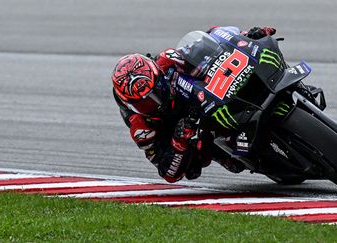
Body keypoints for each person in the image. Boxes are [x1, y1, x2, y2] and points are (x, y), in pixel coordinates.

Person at [111, 26, 277, 183]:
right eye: (145, 103)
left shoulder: (168, 60)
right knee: (230, 164)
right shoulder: (141, 128)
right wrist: (179, 142)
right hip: (189, 130)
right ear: (131, 105)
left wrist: (248, 37)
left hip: (207, 94)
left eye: (157, 91)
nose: (156, 103)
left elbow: (211, 38)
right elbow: (168, 173)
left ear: (159, 75)